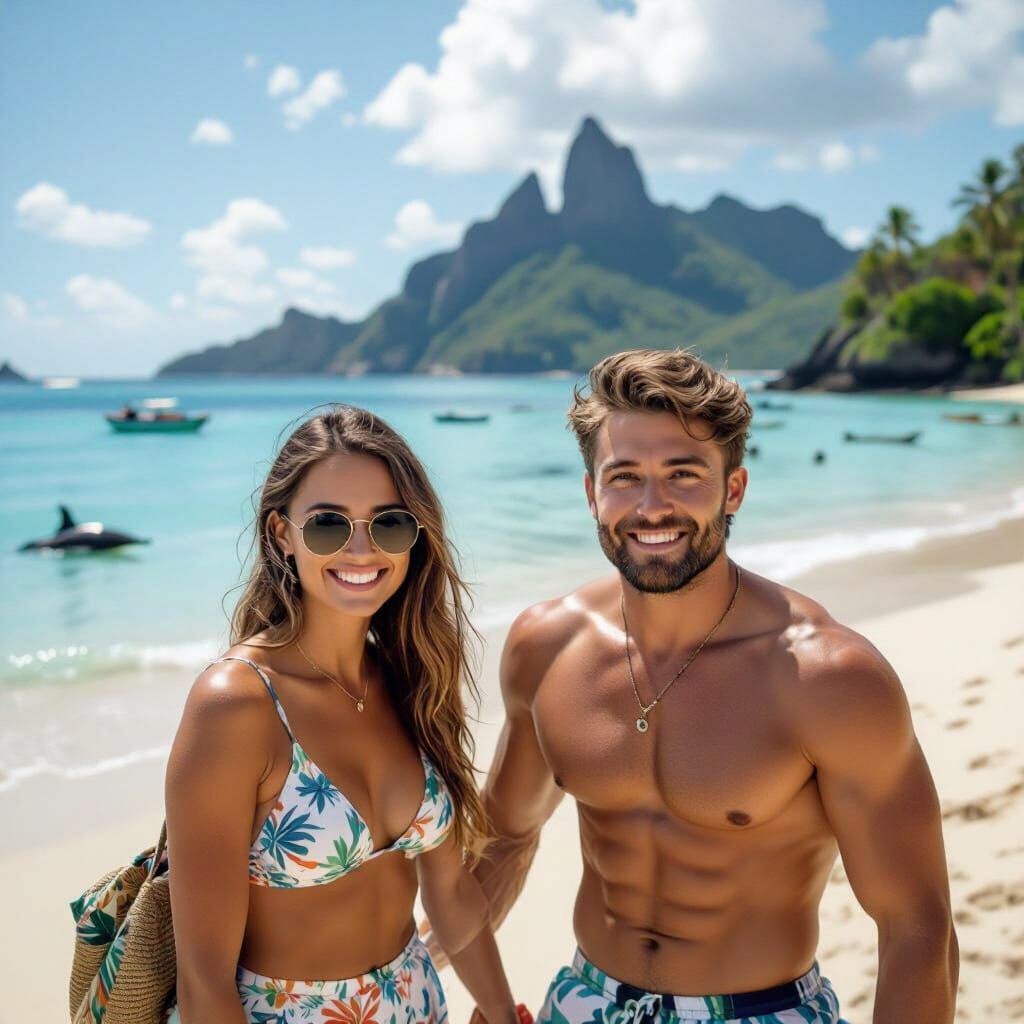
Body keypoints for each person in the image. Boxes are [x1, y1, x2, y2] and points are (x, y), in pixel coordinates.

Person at [466, 350, 958, 1022]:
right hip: (583, 1002)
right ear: (591, 494)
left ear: (734, 489)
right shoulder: (545, 647)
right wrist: (443, 958)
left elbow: (917, 928)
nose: (652, 506)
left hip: (760, 1010)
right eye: (625, 477)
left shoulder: (827, 678)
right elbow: (508, 834)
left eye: (683, 474)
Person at [166, 406, 518, 1024]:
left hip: (418, 1004)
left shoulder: (410, 676)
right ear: (282, 533)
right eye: (329, 525)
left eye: (389, 524)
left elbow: (450, 892)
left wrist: (498, 1008)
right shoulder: (237, 706)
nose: (362, 549)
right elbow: (204, 983)